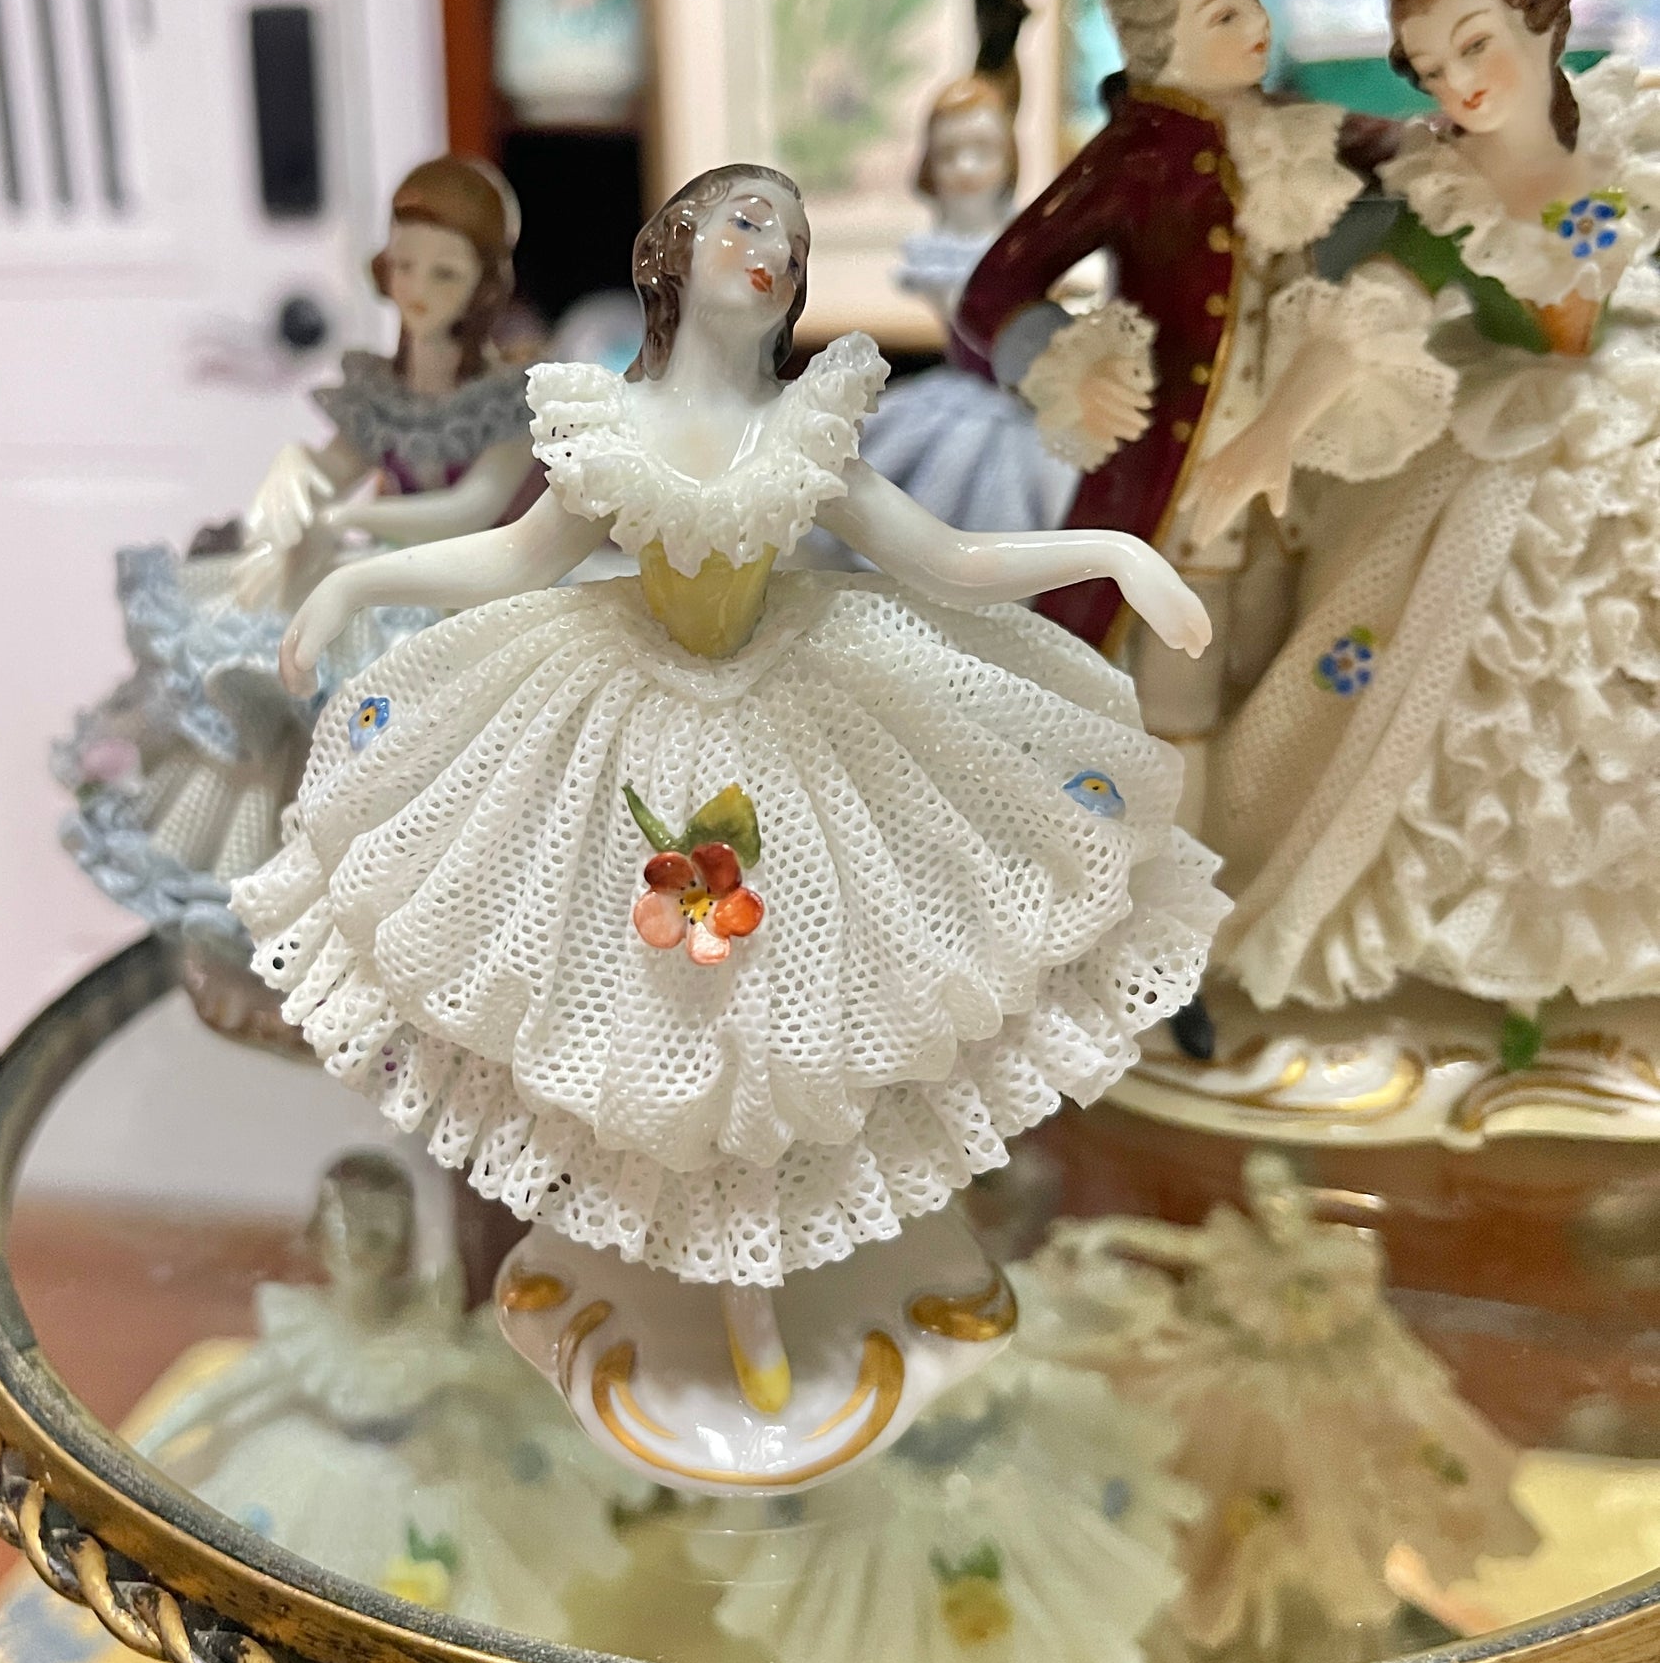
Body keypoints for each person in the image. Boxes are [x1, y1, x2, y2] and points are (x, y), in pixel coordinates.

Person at [233, 163, 1225, 1483]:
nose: (773, 251)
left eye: (794, 241)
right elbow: (514, 557)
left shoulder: (804, 429)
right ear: (673, 249)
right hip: (618, 713)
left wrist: (1114, 553)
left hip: (798, 709)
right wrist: (356, 583)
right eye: (747, 222)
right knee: (639, 1007)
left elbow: (947, 562)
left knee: (799, 1004)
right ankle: (660, 1248)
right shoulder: (606, 423)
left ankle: (769, 1273)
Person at [1207, 0, 1660, 1039]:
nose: (1455, 85)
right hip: (1508, 440)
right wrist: (1268, 437)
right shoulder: (1446, 197)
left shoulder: (1630, 138)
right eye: (1425, 66)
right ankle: (1490, 940)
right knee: (1462, 679)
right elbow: (1369, 316)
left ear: (1540, 19)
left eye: (1473, 45)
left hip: (1631, 413)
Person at [951, 0, 1406, 899]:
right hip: (1182, 494)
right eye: (1222, 13)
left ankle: (1251, 889)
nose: (1257, 27)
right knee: (1176, 705)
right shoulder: (1135, 156)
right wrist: (1064, 362)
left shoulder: (1293, 130)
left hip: (1295, 484)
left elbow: (1407, 150)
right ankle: (1170, 915)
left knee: (1270, 682)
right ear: (1158, 36)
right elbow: (993, 290)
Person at [53, 157, 534, 965]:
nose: (418, 288)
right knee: (258, 638)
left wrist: (351, 517)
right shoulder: (384, 387)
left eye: (445, 272)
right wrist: (296, 481)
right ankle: (287, 899)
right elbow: (337, 462)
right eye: (406, 264)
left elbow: (470, 510)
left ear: (484, 283)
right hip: (373, 576)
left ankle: (407, 917)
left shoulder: (503, 398)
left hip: (458, 592)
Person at [854, 72, 1076, 540]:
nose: (966, 167)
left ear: (1008, 156)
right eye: (948, 154)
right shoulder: (939, 256)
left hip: (1035, 405)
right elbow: (979, 319)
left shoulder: (1026, 235)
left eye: (983, 150)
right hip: (973, 398)